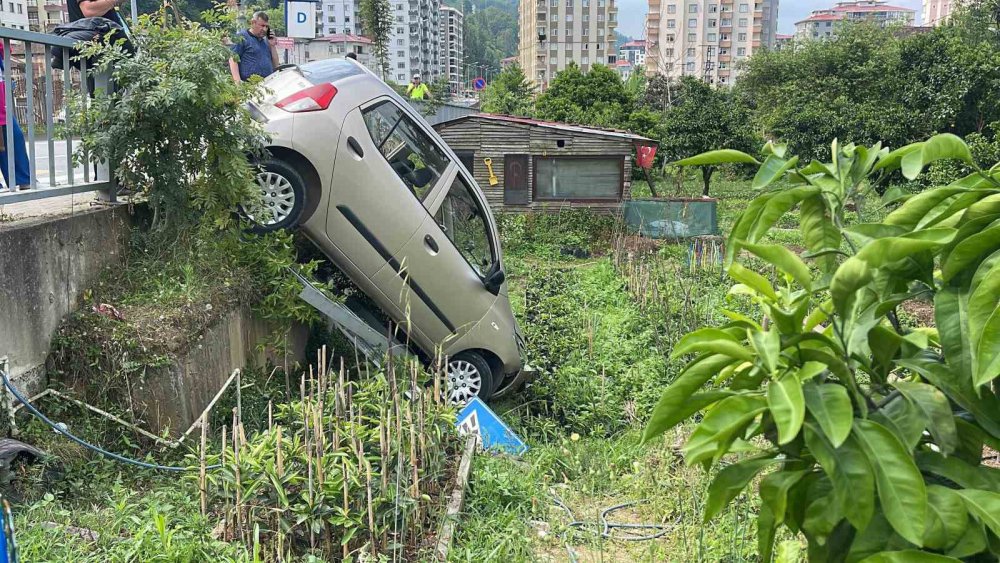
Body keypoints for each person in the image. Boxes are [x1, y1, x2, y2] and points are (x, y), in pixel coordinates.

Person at [0, 43, 30, 192]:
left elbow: (5, 49)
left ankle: (22, 179)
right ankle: (21, 179)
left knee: (14, 138)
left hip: (2, 105)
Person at [229, 12, 279, 84]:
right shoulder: (242, 37)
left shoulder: (265, 41)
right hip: (250, 85)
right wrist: (238, 82)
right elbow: (233, 59)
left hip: (268, 85)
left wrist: (272, 46)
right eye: (262, 25)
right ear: (253, 23)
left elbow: (276, 65)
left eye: (266, 26)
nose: (264, 29)